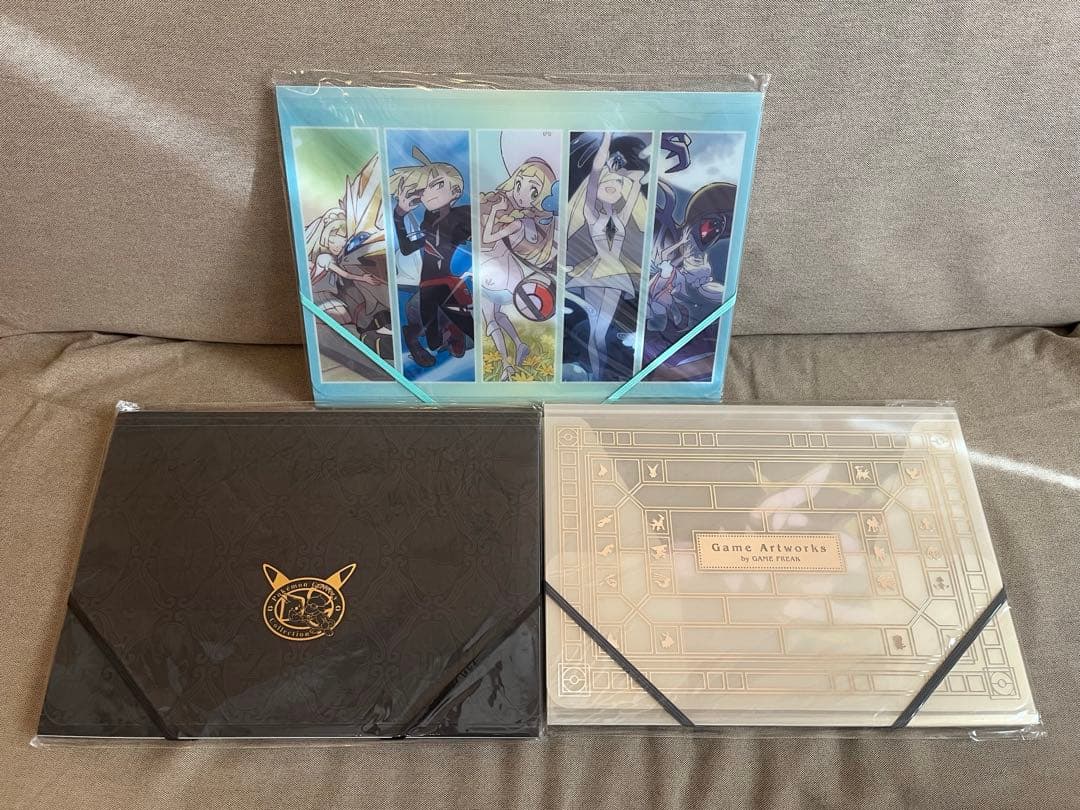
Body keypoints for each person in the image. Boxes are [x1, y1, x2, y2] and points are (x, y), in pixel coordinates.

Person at [564, 132, 649, 380]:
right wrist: (607, 140)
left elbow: (636, 181)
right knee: (594, 329)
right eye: (606, 182)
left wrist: (631, 176)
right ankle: (596, 374)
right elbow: (596, 172)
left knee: (599, 332)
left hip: (615, 275)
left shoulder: (622, 215)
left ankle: (598, 375)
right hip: (595, 272)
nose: (612, 185)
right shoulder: (592, 213)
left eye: (619, 183)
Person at [389, 146, 473, 367]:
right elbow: (407, 248)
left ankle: (451, 333)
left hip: (447, 285)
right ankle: (425, 337)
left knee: (471, 332)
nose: (427, 192)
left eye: (436, 185)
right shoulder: (428, 223)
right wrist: (399, 214)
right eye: (425, 187)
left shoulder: (462, 216)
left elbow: (482, 232)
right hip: (427, 287)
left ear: (455, 191)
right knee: (434, 343)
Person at [478, 157, 557, 380]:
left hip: (495, 274)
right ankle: (520, 344)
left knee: (490, 319)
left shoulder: (518, 222)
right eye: (519, 183)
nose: (520, 192)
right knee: (496, 315)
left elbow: (487, 238)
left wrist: (494, 210)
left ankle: (506, 365)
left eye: (533, 191)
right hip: (507, 275)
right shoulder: (525, 220)